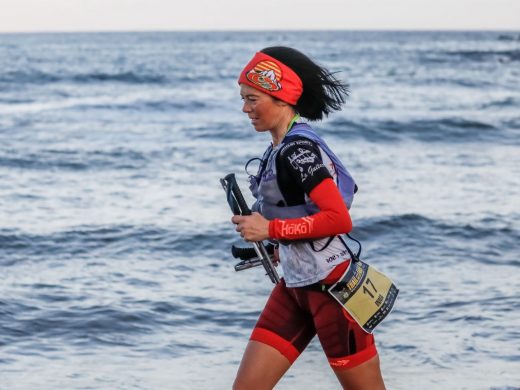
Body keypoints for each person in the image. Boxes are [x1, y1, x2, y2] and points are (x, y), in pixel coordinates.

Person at [231, 47, 386, 390]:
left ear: (282, 98)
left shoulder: (299, 151)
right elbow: (305, 214)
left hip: (333, 292)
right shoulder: (278, 147)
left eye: (252, 99)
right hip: (295, 289)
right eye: (243, 99)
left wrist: (270, 228)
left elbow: (338, 219)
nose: (245, 108)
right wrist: (275, 243)